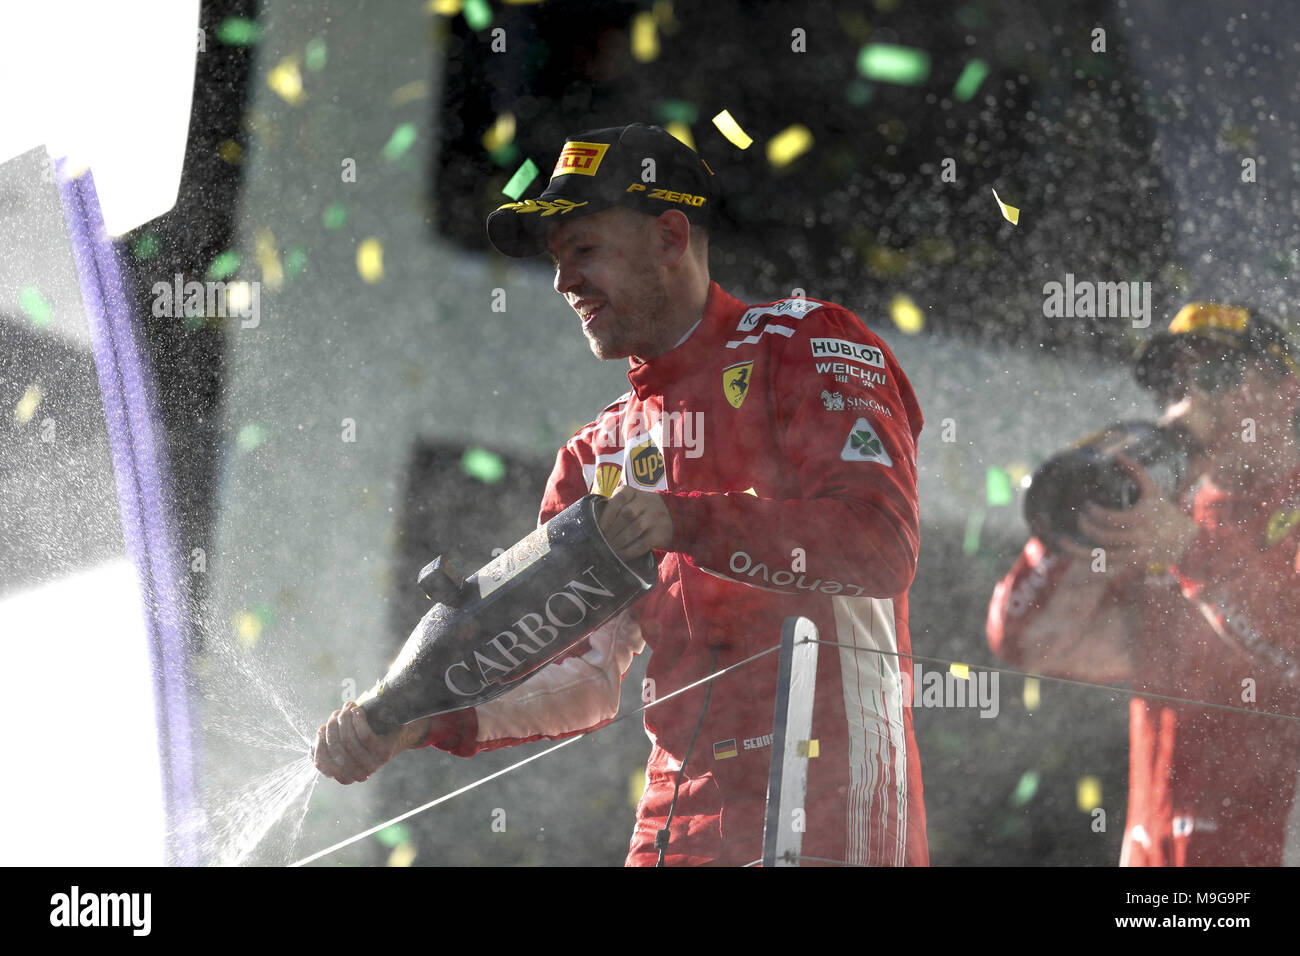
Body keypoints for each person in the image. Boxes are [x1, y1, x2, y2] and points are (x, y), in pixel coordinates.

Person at [315, 123, 928, 866]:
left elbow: (879, 545)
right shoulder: (597, 452)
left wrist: (683, 520)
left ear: (671, 236)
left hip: (833, 803)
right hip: (678, 826)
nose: (563, 281)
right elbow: (584, 674)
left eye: (584, 250)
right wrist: (427, 716)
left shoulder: (800, 342)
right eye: (555, 259)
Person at [986, 303, 1300, 866]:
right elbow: (1022, 639)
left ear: (1289, 392)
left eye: (1218, 376)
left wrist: (1187, 550)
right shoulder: (1163, 518)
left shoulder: (1192, 533)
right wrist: (1083, 517)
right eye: (1173, 385)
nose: (1188, 402)